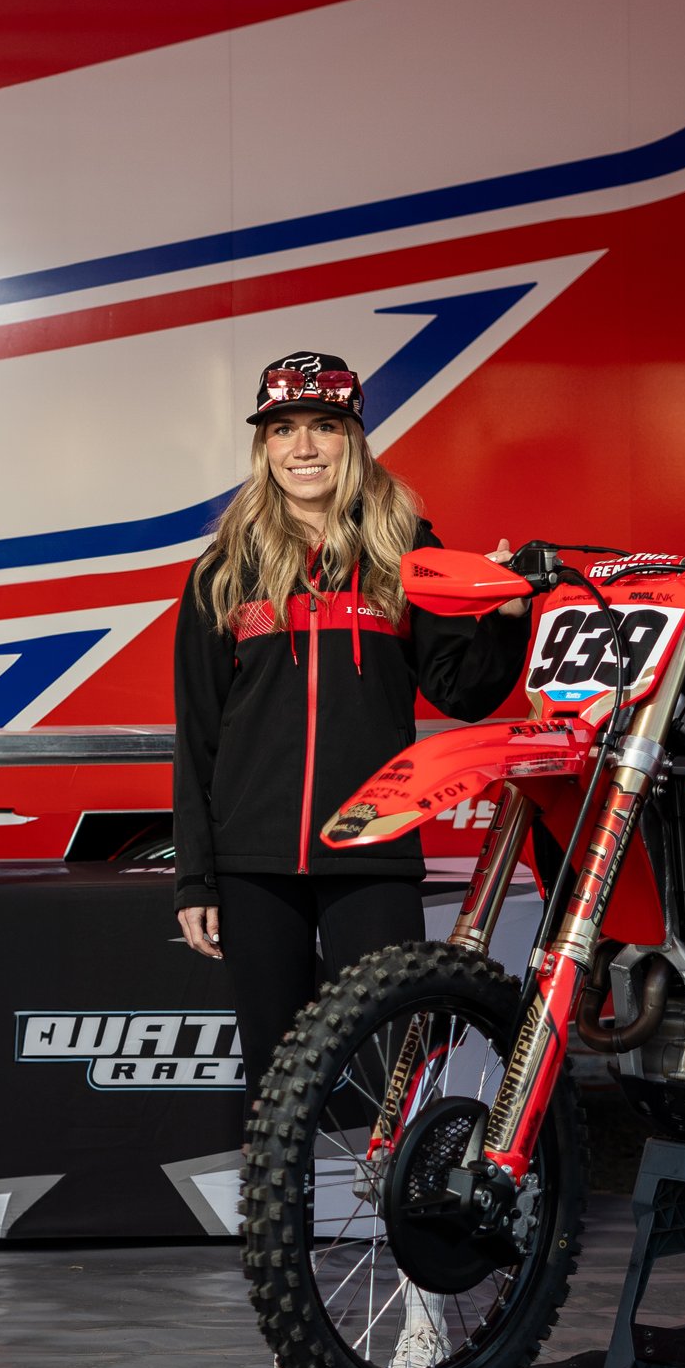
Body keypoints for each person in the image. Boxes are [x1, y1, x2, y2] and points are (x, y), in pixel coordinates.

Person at [172, 350, 530, 1103]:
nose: (303, 447)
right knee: (277, 1075)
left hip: (373, 851)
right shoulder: (222, 571)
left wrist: (501, 620)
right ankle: (284, 1224)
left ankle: (396, 1215)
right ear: (263, 447)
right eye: (284, 429)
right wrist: (196, 876)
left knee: (395, 1059)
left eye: (324, 426)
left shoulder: (410, 554)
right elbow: (198, 736)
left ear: (354, 438)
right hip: (253, 865)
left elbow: (462, 691)